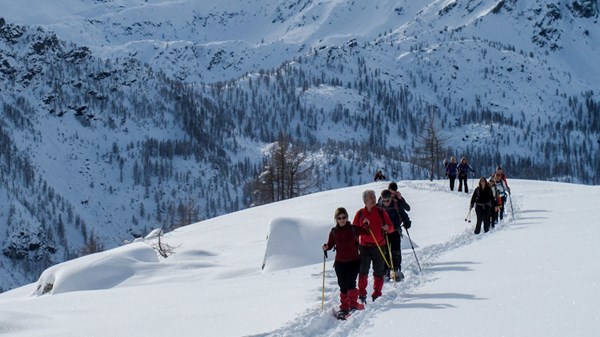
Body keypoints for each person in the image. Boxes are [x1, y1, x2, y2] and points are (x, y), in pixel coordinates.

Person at [322, 207, 366, 318]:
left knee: (351, 283)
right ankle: (345, 307)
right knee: (342, 285)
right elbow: (330, 244)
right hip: (340, 263)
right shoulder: (334, 231)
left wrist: (366, 224)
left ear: (347, 217)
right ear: (336, 219)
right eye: (339, 218)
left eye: (344, 217)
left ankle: (353, 304)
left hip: (354, 261)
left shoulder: (353, 228)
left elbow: (366, 232)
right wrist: (326, 247)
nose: (342, 219)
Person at [353, 190, 394, 303]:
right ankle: (361, 294)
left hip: (379, 245)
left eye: (374, 196)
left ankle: (377, 294)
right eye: (371, 197)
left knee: (378, 271)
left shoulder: (381, 212)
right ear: (365, 200)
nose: (374, 199)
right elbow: (354, 230)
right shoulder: (360, 213)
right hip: (364, 246)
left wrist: (387, 228)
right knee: (363, 271)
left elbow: (391, 227)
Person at [377, 190, 406, 282]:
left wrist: (407, 223)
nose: (386, 202)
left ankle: (396, 269)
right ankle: (386, 271)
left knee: (395, 251)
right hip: (383, 233)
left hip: (395, 231)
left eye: (388, 200)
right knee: (384, 252)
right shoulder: (378, 207)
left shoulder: (396, 205)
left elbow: (403, 215)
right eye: (384, 200)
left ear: (391, 198)